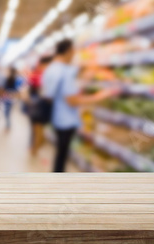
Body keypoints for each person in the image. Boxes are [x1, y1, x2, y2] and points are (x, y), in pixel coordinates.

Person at [42, 40, 118, 172]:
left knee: (60, 152)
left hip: (56, 116)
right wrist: (99, 96)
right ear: (68, 51)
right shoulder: (65, 71)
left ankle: (56, 177)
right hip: (66, 119)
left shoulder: (51, 68)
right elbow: (72, 100)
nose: (74, 55)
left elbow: (49, 94)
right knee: (62, 154)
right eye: (73, 51)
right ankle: (58, 182)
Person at [26, 56, 53, 156]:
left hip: (36, 106)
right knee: (38, 130)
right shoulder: (42, 76)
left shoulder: (35, 75)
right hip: (40, 106)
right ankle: (34, 149)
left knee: (35, 129)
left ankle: (33, 148)